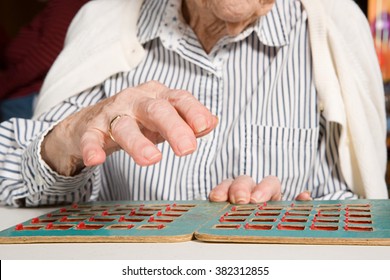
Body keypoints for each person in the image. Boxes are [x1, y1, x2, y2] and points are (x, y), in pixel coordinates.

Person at [0, 0, 387, 207]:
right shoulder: (103, 22)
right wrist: (66, 140)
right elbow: (13, 181)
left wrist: (297, 214)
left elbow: (350, 197)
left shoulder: (333, 30)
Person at [0, 0, 89, 122]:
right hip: (23, 95)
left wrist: (4, 85)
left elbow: (45, 57)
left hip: (29, 96)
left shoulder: (68, 4)